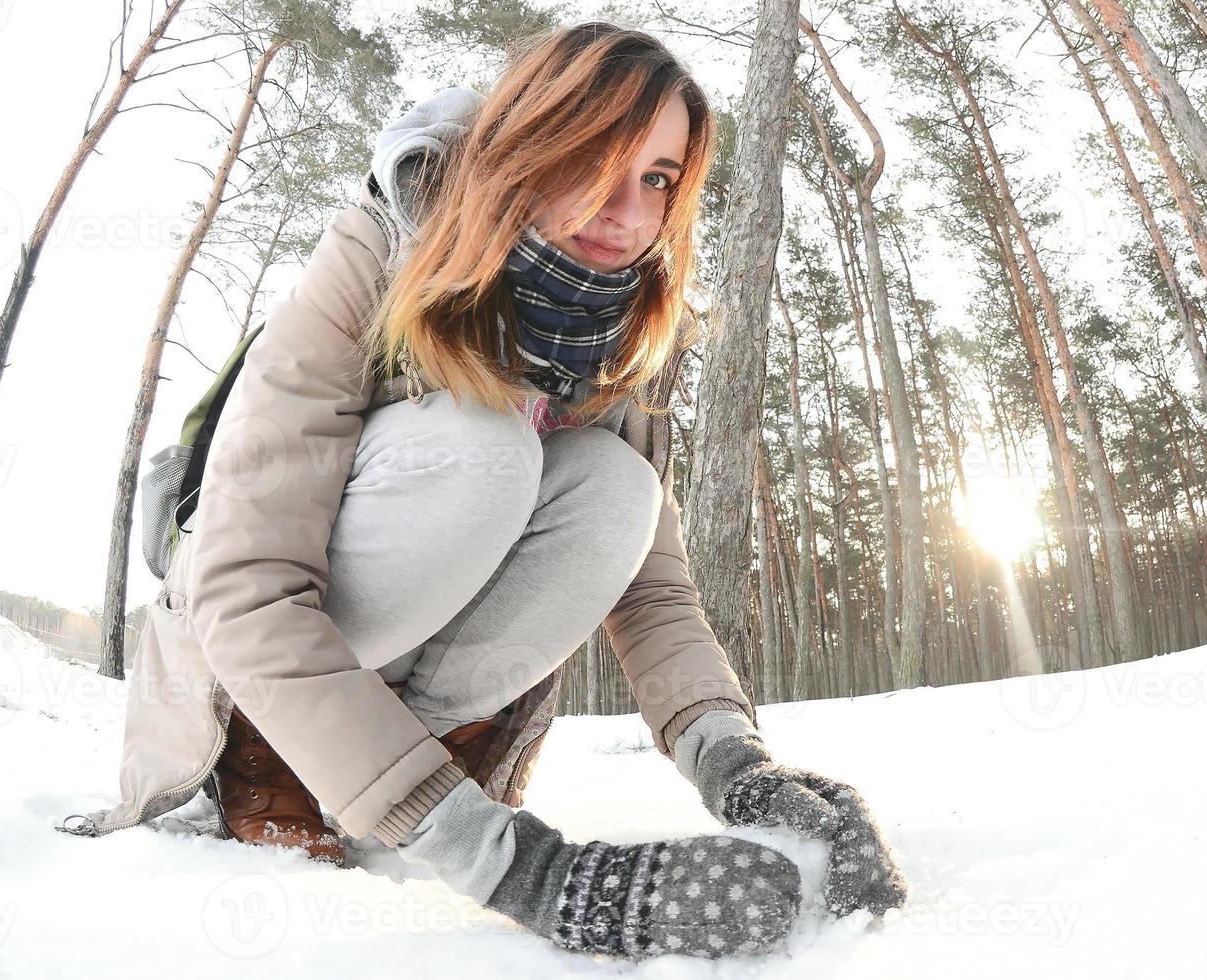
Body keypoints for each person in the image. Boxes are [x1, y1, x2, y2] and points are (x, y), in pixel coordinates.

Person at [76, 21, 907, 962]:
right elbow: (244, 584)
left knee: (618, 492)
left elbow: (654, 589)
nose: (626, 210)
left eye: (659, 179)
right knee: (486, 449)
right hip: (243, 668)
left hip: (405, 695)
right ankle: (266, 769)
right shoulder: (379, 250)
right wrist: (522, 871)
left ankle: (400, 776)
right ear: (528, 139)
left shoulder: (615, 331)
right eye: (595, 154)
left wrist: (738, 766)